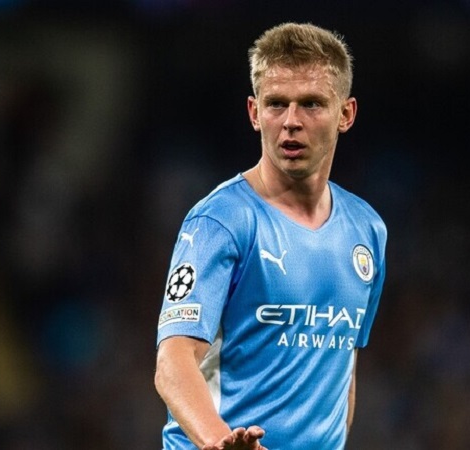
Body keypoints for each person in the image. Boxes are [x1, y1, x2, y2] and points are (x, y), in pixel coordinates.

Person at [153, 22, 387, 450]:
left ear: (346, 114)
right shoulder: (220, 222)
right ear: (254, 112)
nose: (291, 121)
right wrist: (221, 442)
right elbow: (173, 363)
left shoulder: (367, 230)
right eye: (277, 104)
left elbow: (342, 370)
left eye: (312, 104)